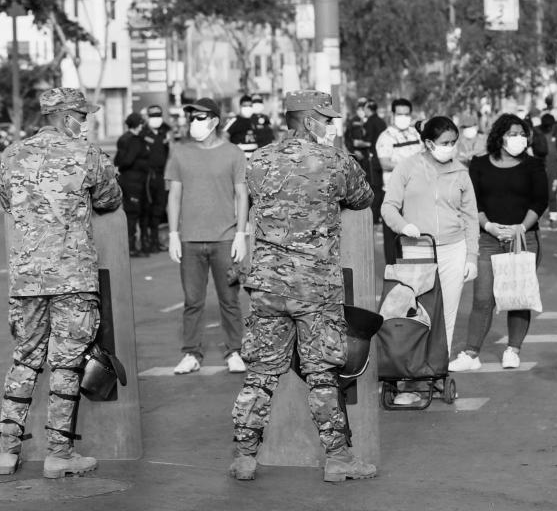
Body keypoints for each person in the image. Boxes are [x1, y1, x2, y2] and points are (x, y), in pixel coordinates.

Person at [229, 90, 376, 482]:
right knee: (323, 375)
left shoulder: (257, 161)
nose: (330, 127)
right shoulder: (334, 161)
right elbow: (363, 197)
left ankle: (245, 457)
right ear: (310, 121)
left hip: (268, 286)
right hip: (315, 289)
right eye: (326, 120)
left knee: (260, 374)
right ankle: (339, 460)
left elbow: (257, 200)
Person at [0, 87, 122, 478]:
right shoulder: (86, 154)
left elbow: (7, 202)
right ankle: (59, 454)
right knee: (66, 365)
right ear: (67, 116)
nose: (84, 124)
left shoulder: (10, 156)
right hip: (72, 277)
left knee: (24, 359)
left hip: (26, 278)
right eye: (82, 117)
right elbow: (110, 199)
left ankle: (5, 451)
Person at [382, 117, 479, 403]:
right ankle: (410, 382)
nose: (450, 148)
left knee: (446, 314)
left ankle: (436, 373)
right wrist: (403, 226)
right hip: (417, 248)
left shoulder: (461, 171)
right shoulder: (408, 167)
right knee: (416, 314)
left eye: (453, 142)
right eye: (445, 143)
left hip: (453, 248)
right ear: (428, 143)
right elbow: (388, 207)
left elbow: (471, 216)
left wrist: (471, 255)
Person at [450, 114, 548, 372]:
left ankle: (513, 349)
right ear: (499, 136)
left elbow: (540, 200)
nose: (519, 138)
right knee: (483, 298)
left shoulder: (533, 165)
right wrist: (490, 226)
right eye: (512, 133)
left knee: (518, 295)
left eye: (522, 133)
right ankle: (471, 354)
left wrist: (520, 228)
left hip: (523, 237)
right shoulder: (479, 164)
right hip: (488, 237)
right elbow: (473, 202)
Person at [166, 97, 249, 375]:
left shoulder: (234, 154)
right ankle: (191, 353)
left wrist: (241, 234)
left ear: (214, 121)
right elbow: (174, 195)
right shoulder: (180, 153)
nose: (194, 122)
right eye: (192, 117)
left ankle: (235, 351)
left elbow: (241, 195)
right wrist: (174, 234)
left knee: (230, 300)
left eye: (200, 117)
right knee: (193, 301)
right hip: (190, 239)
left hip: (225, 239)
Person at [376, 98, 423, 264]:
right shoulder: (386, 137)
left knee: (415, 238)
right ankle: (394, 274)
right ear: (393, 115)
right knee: (393, 240)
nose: (403, 117)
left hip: (416, 193)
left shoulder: (416, 134)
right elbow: (384, 163)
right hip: (393, 194)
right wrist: (408, 167)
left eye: (406, 114)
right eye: (399, 114)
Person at [114, 112, 150, 258]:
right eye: (141, 123)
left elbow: (118, 159)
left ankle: (132, 245)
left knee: (131, 213)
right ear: (137, 124)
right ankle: (132, 247)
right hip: (134, 180)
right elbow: (127, 160)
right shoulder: (135, 140)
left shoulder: (124, 138)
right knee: (133, 214)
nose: (143, 126)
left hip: (127, 180)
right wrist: (141, 163)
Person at [140, 105, 170, 254]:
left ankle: (155, 240)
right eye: (153, 115)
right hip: (147, 176)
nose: (156, 118)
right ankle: (145, 241)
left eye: (158, 115)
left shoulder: (165, 131)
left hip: (161, 175)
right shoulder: (142, 132)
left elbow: (169, 152)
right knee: (147, 210)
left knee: (159, 208)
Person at [363, 99, 387, 223]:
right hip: (384, 158)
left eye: (365, 108)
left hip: (373, 159)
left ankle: (375, 216)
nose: (363, 111)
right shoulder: (382, 122)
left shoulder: (369, 123)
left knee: (374, 187)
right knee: (382, 187)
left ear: (369, 109)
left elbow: (368, 141)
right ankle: (383, 214)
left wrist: (358, 143)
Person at [224, 95, 262, 159]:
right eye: (245, 106)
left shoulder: (256, 121)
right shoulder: (234, 121)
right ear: (240, 106)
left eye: (250, 106)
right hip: (239, 159)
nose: (248, 108)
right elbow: (223, 136)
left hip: (255, 160)